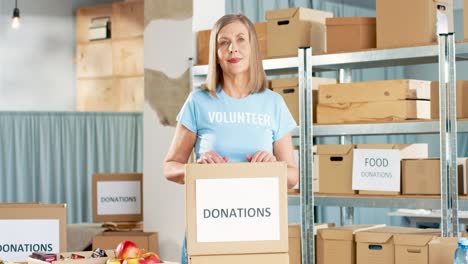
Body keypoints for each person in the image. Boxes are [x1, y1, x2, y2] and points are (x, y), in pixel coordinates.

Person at [163, 13, 299, 264]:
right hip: (208, 229)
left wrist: (273, 168)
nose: (232, 47)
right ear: (216, 52)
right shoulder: (198, 102)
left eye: (240, 39)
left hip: (259, 228)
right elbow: (170, 167)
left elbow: (292, 176)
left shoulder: (273, 104)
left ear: (252, 47)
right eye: (223, 42)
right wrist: (197, 170)